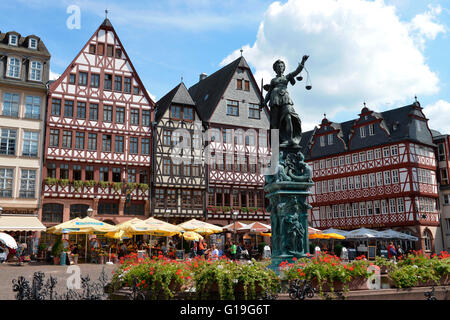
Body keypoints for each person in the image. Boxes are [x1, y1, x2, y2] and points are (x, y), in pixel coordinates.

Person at [262, 55, 309, 147]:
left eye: (281, 66)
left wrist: (303, 61)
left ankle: (290, 139)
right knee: (274, 124)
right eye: (278, 67)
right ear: (275, 69)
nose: (280, 68)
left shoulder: (287, 77)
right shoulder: (273, 80)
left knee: (288, 117)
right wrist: (264, 103)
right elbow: (269, 92)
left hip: (285, 99)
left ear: (284, 68)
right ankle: (275, 147)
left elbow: (297, 71)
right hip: (274, 100)